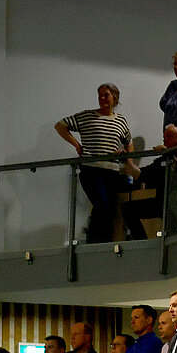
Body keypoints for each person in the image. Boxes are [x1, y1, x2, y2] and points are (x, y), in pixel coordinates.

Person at [56, 84, 136, 243]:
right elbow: (60, 126)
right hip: (91, 169)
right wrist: (77, 145)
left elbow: (129, 142)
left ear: (115, 97)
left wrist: (129, 162)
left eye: (106, 95)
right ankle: (93, 241)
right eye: (100, 95)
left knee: (110, 209)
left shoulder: (120, 120)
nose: (102, 99)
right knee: (102, 205)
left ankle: (102, 242)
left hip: (112, 170)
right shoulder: (87, 116)